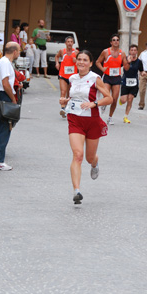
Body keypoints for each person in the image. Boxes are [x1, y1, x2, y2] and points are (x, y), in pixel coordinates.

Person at [60, 50, 112, 205]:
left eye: (85, 60)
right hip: (75, 120)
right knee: (77, 155)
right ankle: (77, 191)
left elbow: (109, 98)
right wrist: (64, 101)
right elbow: (72, 98)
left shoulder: (95, 79)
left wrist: (94, 103)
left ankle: (95, 163)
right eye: (79, 59)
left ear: (90, 63)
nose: (81, 62)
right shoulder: (72, 79)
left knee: (89, 158)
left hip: (92, 121)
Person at [0, 42, 21, 171]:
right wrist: (13, 99)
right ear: (14, 52)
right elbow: (5, 83)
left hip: (0, 96)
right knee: (4, 129)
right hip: (4, 96)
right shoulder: (5, 63)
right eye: (19, 50)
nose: (19, 53)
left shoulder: (2, 61)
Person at [95, 34, 129, 125]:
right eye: (114, 40)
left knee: (114, 99)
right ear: (111, 42)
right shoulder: (106, 52)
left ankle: (110, 117)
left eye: (117, 40)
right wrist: (102, 69)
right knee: (106, 96)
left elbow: (126, 67)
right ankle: (101, 110)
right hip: (107, 77)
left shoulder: (122, 53)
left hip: (117, 77)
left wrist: (128, 61)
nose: (116, 41)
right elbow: (97, 62)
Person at [118, 44, 143, 124]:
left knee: (130, 99)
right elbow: (119, 66)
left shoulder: (139, 62)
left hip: (134, 83)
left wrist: (143, 73)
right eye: (131, 50)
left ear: (137, 51)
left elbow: (141, 70)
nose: (133, 52)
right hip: (125, 82)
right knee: (124, 100)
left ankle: (125, 116)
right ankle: (121, 100)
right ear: (129, 51)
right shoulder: (125, 59)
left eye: (135, 50)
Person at [55, 36, 78, 118]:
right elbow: (57, 56)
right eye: (68, 41)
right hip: (63, 75)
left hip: (72, 77)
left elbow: (81, 61)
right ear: (65, 43)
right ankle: (62, 108)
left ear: (73, 43)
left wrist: (77, 61)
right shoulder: (62, 51)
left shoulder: (76, 52)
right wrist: (57, 63)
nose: (69, 43)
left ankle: (67, 108)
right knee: (63, 92)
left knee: (70, 93)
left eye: (71, 42)